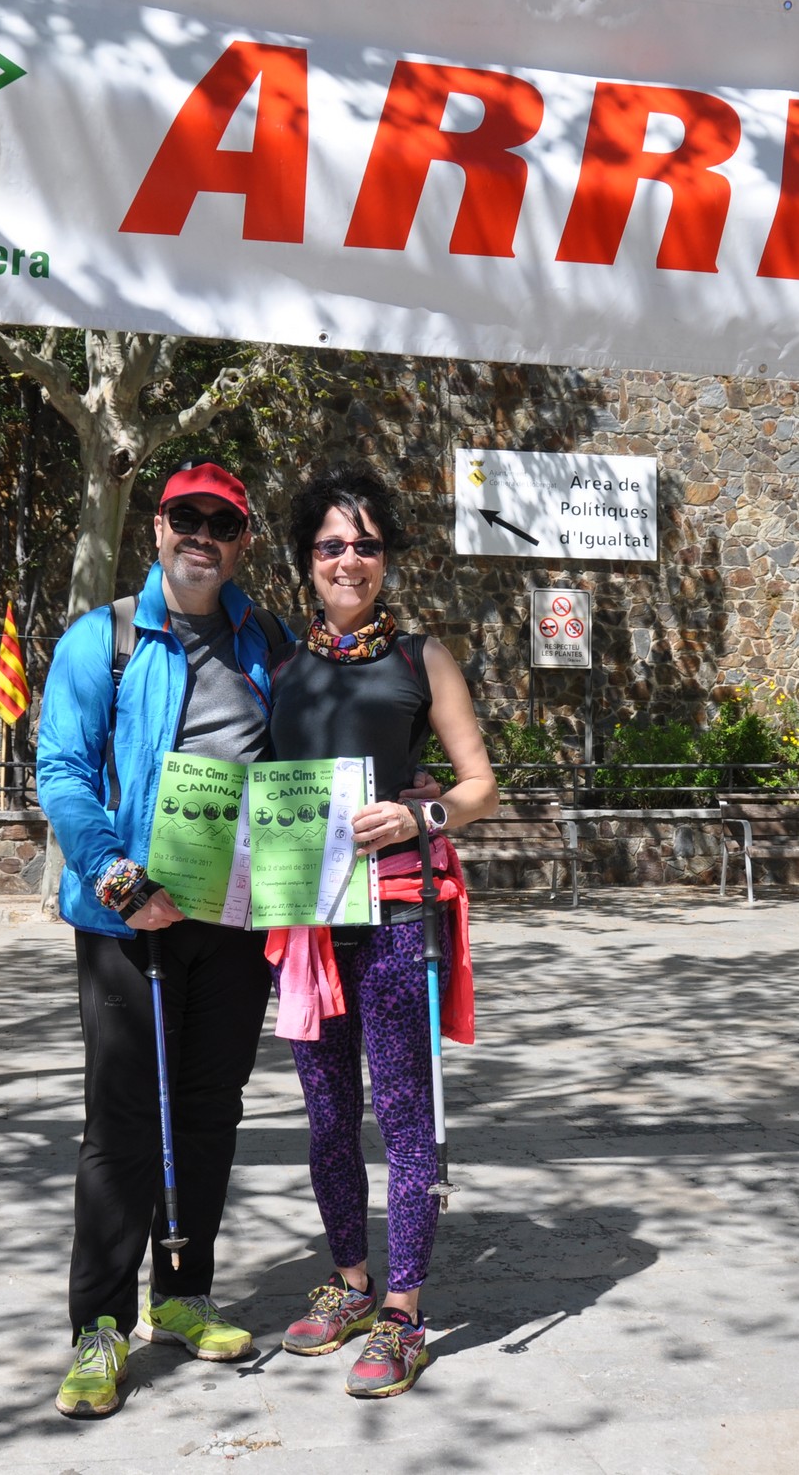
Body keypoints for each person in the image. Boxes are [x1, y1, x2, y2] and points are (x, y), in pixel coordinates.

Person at [38, 461, 297, 1420]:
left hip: (232, 917)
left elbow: (306, 757)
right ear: (157, 525)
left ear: (242, 541)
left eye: (222, 524)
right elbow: (62, 770)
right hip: (129, 914)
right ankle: (100, 1326)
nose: (203, 536)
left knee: (209, 1108)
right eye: (187, 517)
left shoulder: (268, 639)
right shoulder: (101, 638)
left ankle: (183, 1293)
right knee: (121, 1122)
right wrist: (115, 874)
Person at [267, 468, 499, 1398]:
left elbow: (479, 784)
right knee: (328, 1117)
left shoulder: (420, 660)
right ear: (306, 560)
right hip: (308, 923)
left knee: (404, 1115)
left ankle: (403, 1311)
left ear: (386, 558)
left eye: (365, 544)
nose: (349, 560)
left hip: (400, 911)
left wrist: (421, 815)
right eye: (332, 545)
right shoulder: (277, 665)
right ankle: (351, 1282)